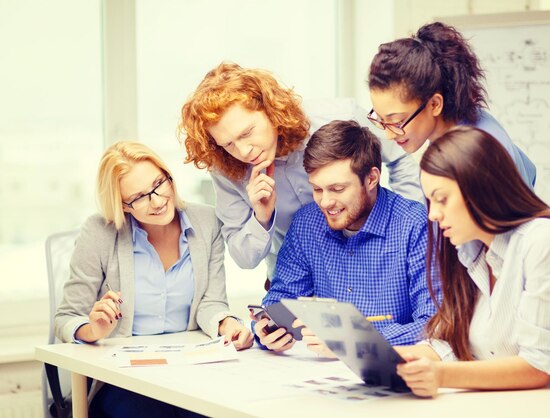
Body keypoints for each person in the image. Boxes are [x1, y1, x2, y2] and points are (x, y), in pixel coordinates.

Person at [394, 126, 550, 397]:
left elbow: (538, 367)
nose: (433, 214)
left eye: (442, 200)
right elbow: (452, 345)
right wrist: (394, 359)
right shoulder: (469, 251)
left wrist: (441, 375)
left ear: (480, 187)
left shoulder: (545, 242)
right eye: (430, 201)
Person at [55, 141, 253, 418]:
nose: (158, 201)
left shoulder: (207, 221)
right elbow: (66, 317)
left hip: (191, 370)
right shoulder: (99, 232)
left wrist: (227, 323)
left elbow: (211, 302)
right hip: (125, 379)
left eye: (159, 184)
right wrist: (93, 329)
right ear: (122, 206)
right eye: (139, 197)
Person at [179, 62, 422, 287]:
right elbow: (244, 258)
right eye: (228, 144)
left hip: (372, 265)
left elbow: (399, 159)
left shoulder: (336, 116)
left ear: (269, 110)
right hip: (295, 279)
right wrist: (261, 218)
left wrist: (404, 233)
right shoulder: (224, 167)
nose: (243, 151)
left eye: (247, 133)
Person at [253, 120, 438, 356]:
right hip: (318, 374)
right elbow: (282, 299)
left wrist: (355, 341)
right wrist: (265, 329)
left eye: (337, 189)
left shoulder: (415, 225)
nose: (325, 202)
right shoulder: (307, 222)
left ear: (371, 179)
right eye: (317, 189)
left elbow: (436, 322)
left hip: (396, 370)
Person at [367, 21, 537, 201]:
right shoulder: (455, 133)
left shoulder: (478, 151)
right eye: (380, 121)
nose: (389, 135)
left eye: (397, 122)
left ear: (434, 104)